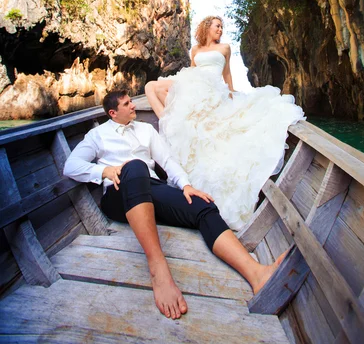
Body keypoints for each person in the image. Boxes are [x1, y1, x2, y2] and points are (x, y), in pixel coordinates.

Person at [63, 89, 287, 321]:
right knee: (135, 166)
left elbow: (168, 161)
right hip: (118, 194)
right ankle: (158, 269)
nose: (133, 106)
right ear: (113, 112)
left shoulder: (146, 130)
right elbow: (71, 166)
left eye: (132, 102)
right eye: (127, 104)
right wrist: (104, 171)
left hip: (150, 189)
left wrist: (186, 185)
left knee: (203, 206)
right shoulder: (97, 135)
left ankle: (257, 274)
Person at [145, 16, 305, 231]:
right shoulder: (195, 50)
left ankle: (172, 120)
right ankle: (169, 120)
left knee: (159, 89)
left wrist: (231, 93)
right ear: (207, 28)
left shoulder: (225, 48)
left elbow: (227, 74)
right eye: (217, 26)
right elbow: (191, 72)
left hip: (212, 88)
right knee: (151, 87)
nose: (220, 29)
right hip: (194, 84)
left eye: (221, 27)